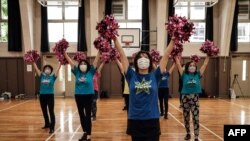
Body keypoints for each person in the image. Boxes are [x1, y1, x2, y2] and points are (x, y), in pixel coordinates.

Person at [113, 36, 175, 141]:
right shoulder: (131, 75)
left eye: (146, 57)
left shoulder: (155, 75)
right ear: (136, 61)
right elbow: (122, 55)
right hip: (135, 119)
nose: (143, 59)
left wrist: (173, 40)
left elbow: (166, 55)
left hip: (152, 118)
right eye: (140, 57)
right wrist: (114, 39)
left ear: (150, 62)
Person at [64, 51, 100, 141]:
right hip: (78, 96)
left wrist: (99, 50)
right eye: (81, 63)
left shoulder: (91, 71)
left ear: (87, 65)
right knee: (81, 115)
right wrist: (64, 53)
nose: (83, 65)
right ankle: (85, 132)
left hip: (89, 96)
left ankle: (89, 136)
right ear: (79, 65)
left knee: (88, 115)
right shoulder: (77, 72)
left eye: (84, 63)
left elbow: (95, 61)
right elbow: (70, 62)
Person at [175, 56, 209, 141]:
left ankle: (196, 136)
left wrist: (208, 55)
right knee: (186, 118)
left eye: (194, 65)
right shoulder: (183, 74)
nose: (192, 67)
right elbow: (178, 64)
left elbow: (205, 64)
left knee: (196, 118)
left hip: (195, 98)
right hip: (185, 98)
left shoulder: (198, 74)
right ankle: (188, 134)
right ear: (187, 67)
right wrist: (175, 55)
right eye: (190, 65)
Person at [32, 62, 61, 134]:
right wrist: (33, 61)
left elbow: (57, 69)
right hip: (42, 96)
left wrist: (60, 63)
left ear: (51, 71)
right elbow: (36, 68)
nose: (47, 69)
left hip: (50, 96)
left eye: (49, 69)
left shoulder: (52, 77)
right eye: (46, 68)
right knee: (44, 111)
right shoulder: (42, 76)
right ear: (44, 70)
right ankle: (47, 124)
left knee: (51, 111)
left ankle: (52, 127)